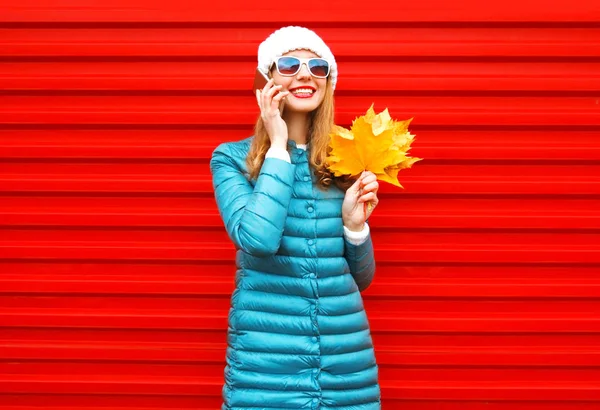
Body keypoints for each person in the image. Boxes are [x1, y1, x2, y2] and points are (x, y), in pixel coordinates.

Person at [210, 26, 381, 410]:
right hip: (267, 367)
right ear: (266, 81)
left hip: (346, 364)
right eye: (289, 64)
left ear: (327, 84)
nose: (305, 74)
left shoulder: (345, 161)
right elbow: (258, 239)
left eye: (318, 67)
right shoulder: (232, 160)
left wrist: (356, 228)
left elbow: (361, 279)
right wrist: (277, 147)